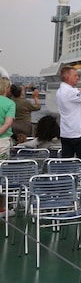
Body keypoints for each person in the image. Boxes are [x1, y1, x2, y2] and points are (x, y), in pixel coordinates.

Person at [0, 76, 16, 217]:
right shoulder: (10, 103)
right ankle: (2, 208)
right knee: (2, 175)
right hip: (3, 141)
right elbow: (8, 123)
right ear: (7, 88)